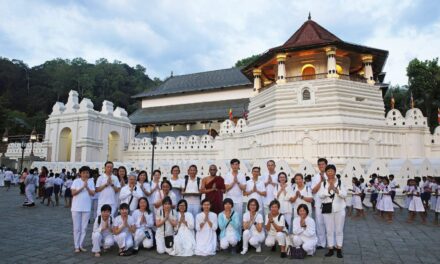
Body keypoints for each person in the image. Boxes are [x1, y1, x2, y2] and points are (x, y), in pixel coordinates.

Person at [318, 164, 346, 258]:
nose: (330, 172)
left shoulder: (341, 182)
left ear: (335, 171)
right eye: (328, 171)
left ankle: (339, 248)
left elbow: (344, 195)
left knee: (339, 230)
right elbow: (320, 196)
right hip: (327, 209)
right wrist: (328, 191)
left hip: (339, 209)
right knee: (329, 230)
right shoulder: (324, 183)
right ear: (326, 173)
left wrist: (337, 190)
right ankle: (330, 248)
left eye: (331, 170)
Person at [71, 166, 95, 253]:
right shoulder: (76, 181)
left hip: (86, 208)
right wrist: (82, 187)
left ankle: (81, 245)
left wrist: (87, 187)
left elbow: (93, 194)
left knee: (84, 228)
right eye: (84, 172)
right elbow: (73, 193)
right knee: (76, 228)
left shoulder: (91, 182)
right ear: (80, 173)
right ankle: (76, 246)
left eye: (87, 173)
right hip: (76, 208)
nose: (85, 174)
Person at [224, 159, 246, 229]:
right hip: (229, 200)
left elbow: (244, 188)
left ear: (239, 165)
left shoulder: (242, 175)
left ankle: (238, 236)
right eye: (233, 164)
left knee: (238, 218)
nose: (235, 166)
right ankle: (229, 234)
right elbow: (226, 188)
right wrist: (233, 182)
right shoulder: (227, 175)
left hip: (239, 200)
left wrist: (238, 182)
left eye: (236, 164)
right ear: (231, 165)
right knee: (229, 217)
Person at [311, 158, 328, 249]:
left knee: (329, 223)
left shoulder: (331, 175)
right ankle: (321, 243)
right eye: (319, 164)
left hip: (329, 203)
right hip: (319, 203)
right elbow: (313, 191)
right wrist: (321, 181)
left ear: (326, 164)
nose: (321, 166)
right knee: (320, 223)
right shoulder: (315, 177)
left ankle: (331, 243)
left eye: (323, 164)